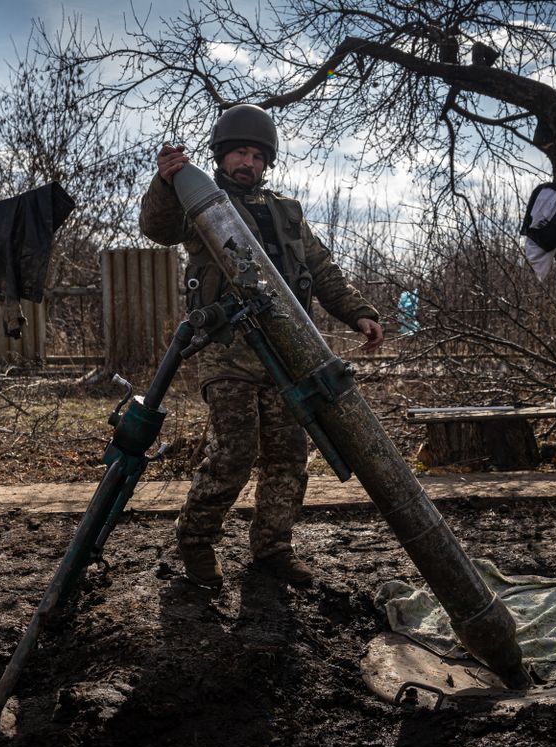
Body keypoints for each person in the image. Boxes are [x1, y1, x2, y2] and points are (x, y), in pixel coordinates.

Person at [139, 104, 384, 589]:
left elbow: (322, 270)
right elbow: (158, 228)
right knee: (235, 449)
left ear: (266, 162)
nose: (246, 163)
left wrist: (360, 312)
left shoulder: (286, 212)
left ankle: (273, 548)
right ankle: (196, 539)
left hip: (287, 352)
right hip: (227, 349)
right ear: (221, 157)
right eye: (237, 153)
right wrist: (165, 183)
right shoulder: (202, 205)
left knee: (287, 455)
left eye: (255, 155)